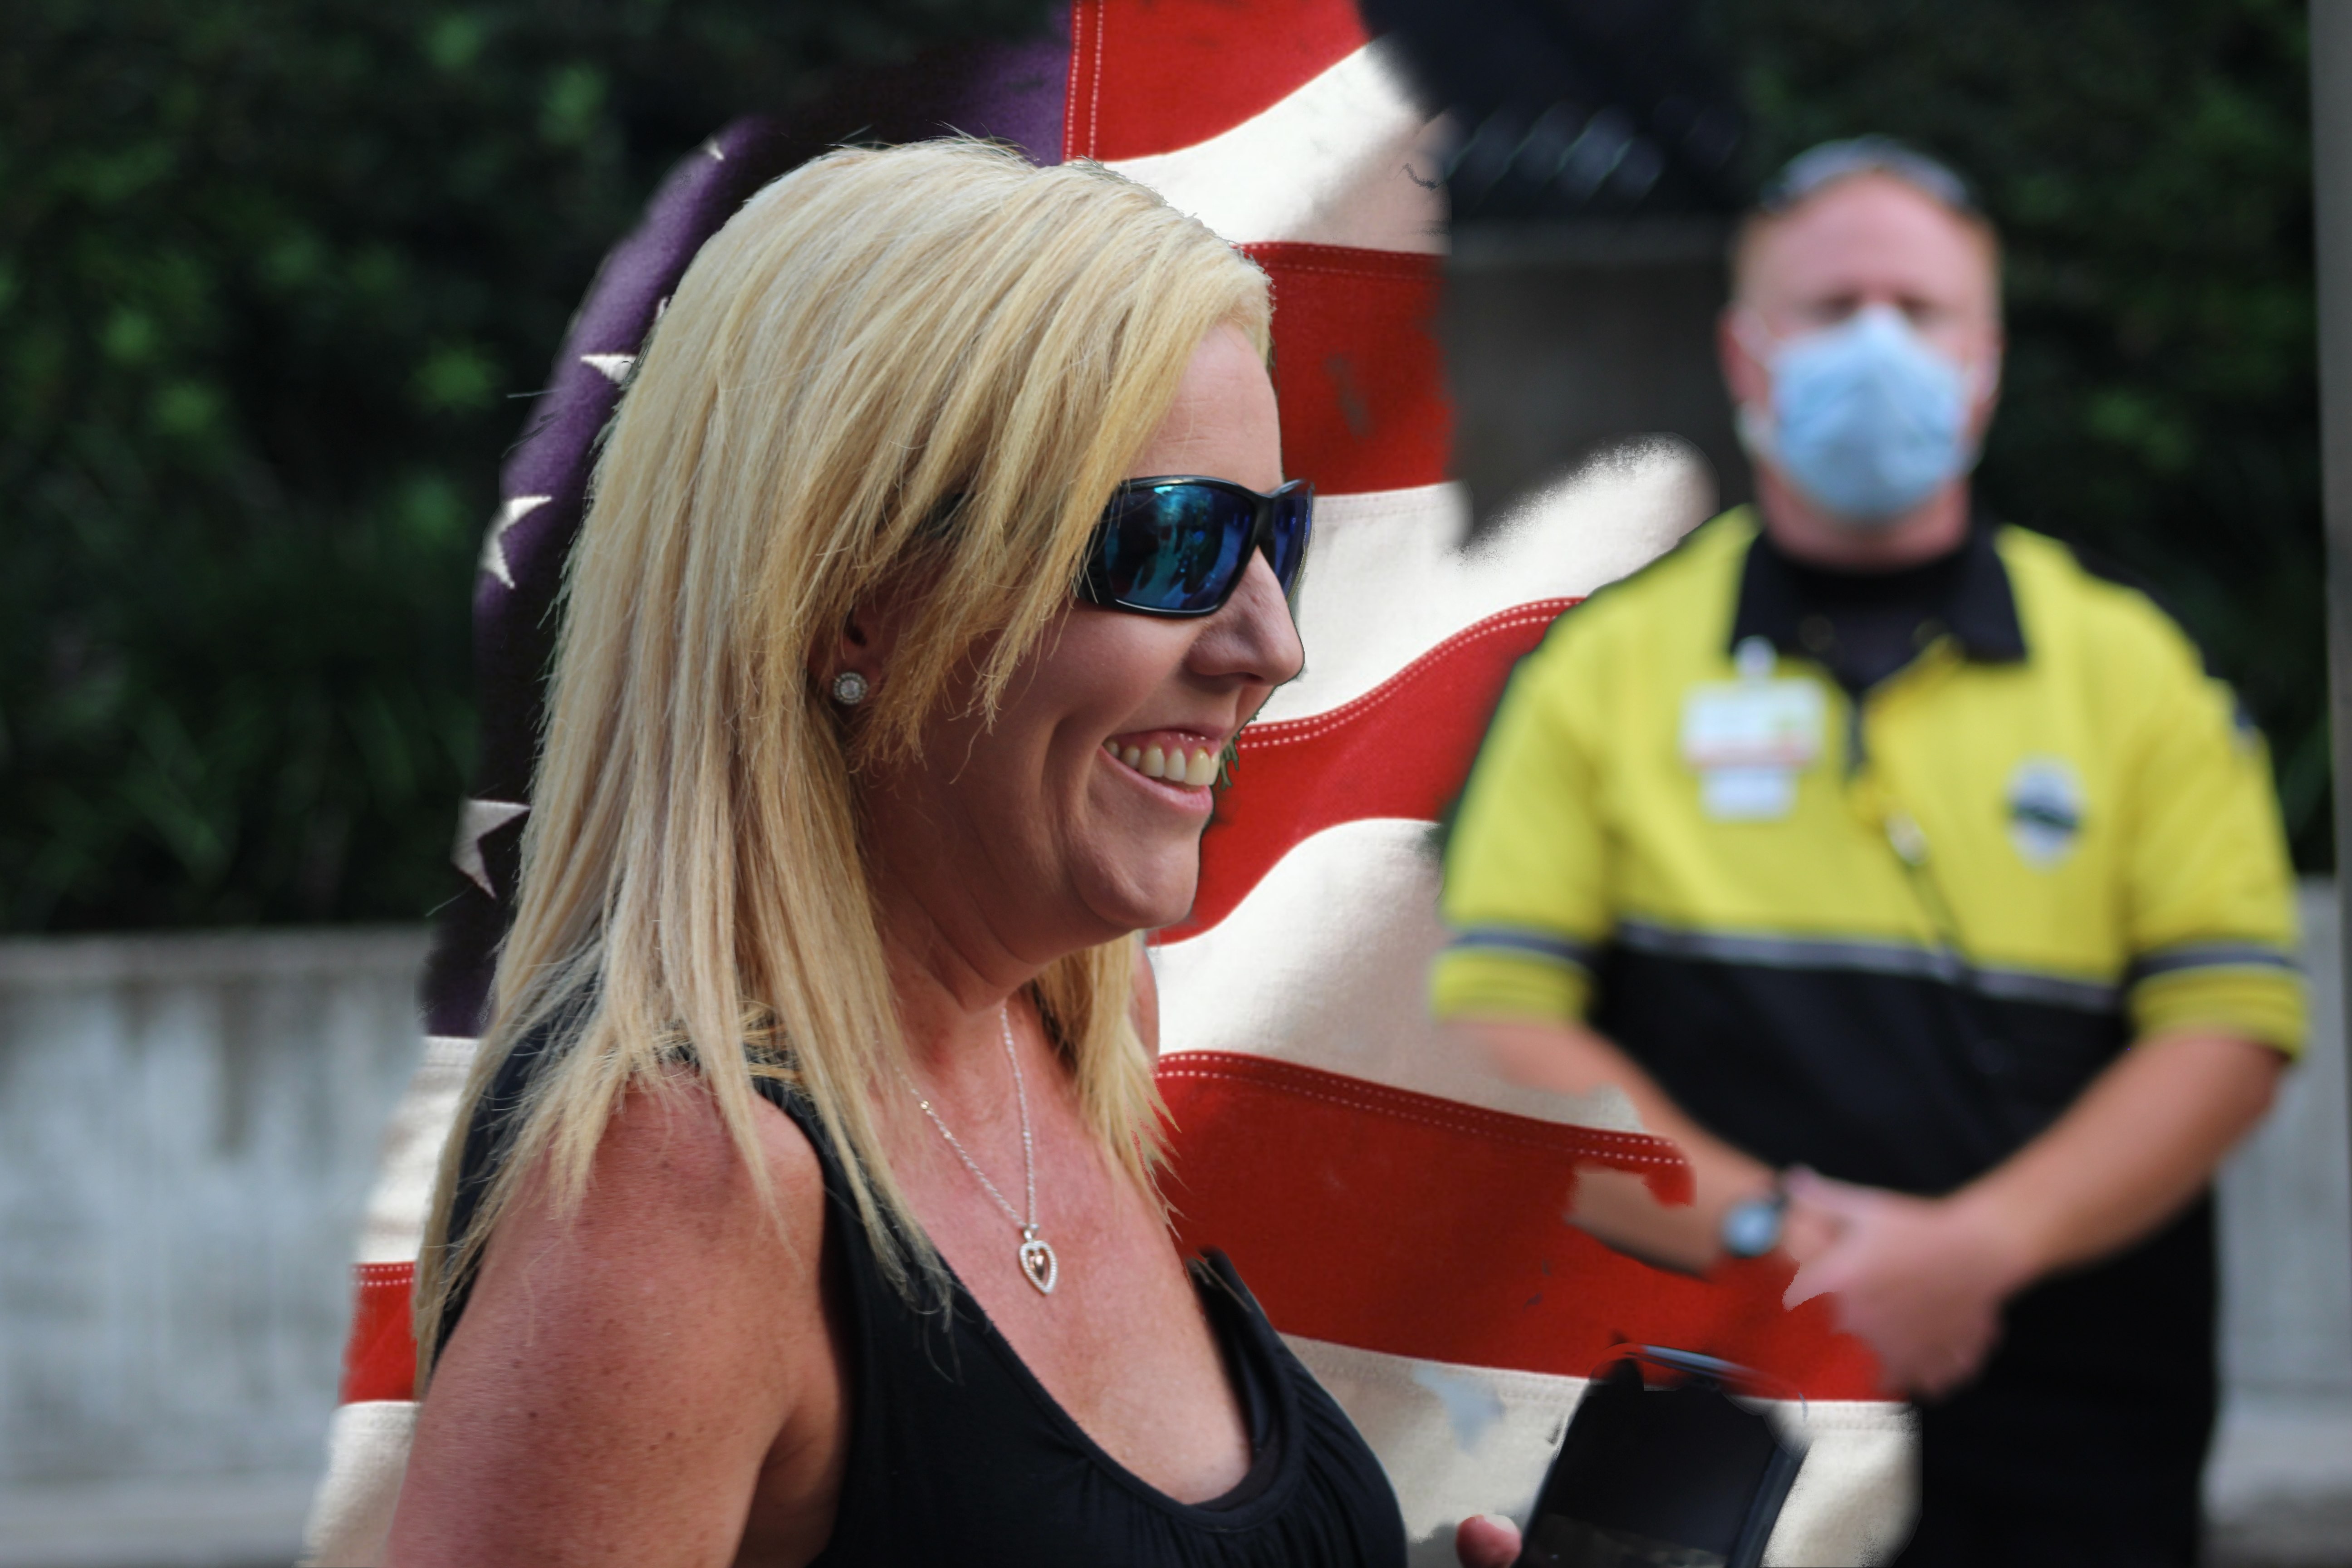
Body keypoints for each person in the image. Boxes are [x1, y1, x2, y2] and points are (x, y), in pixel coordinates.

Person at [385, 139, 1408, 1566]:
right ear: (858, 600)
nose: (1270, 647)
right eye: (1177, 544)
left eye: (1273, 542)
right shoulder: (689, 1173)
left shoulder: (1075, 1025)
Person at [1433, 138, 2303, 1566]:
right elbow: (1495, 1030)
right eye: (1834, 309)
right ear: (1747, 354)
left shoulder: (2136, 672)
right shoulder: (1603, 671)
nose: (1878, 344)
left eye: (1921, 310)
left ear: (1988, 363)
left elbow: (2231, 1029)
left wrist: (1980, 1247)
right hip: (1709, 1435)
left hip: (2067, 1438)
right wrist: (1767, 1234)